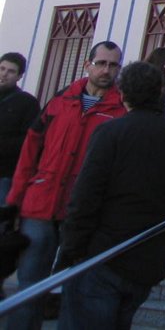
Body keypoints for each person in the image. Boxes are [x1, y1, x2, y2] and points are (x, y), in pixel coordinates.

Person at [57, 61, 165, 330]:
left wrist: (70, 250)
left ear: (123, 94)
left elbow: (85, 196)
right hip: (146, 260)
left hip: (104, 256)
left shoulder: (111, 133)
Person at [6, 41, 126, 330]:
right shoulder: (60, 101)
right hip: (41, 203)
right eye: (101, 63)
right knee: (29, 285)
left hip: (82, 211)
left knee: (74, 288)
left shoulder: (120, 111)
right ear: (88, 65)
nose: (106, 70)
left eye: (113, 65)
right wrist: (15, 200)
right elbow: (30, 151)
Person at [0, 53, 40, 204]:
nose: (4, 74)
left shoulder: (27, 103)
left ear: (20, 76)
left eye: (11, 71)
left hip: (5, 174)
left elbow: (29, 139)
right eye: (2, 68)